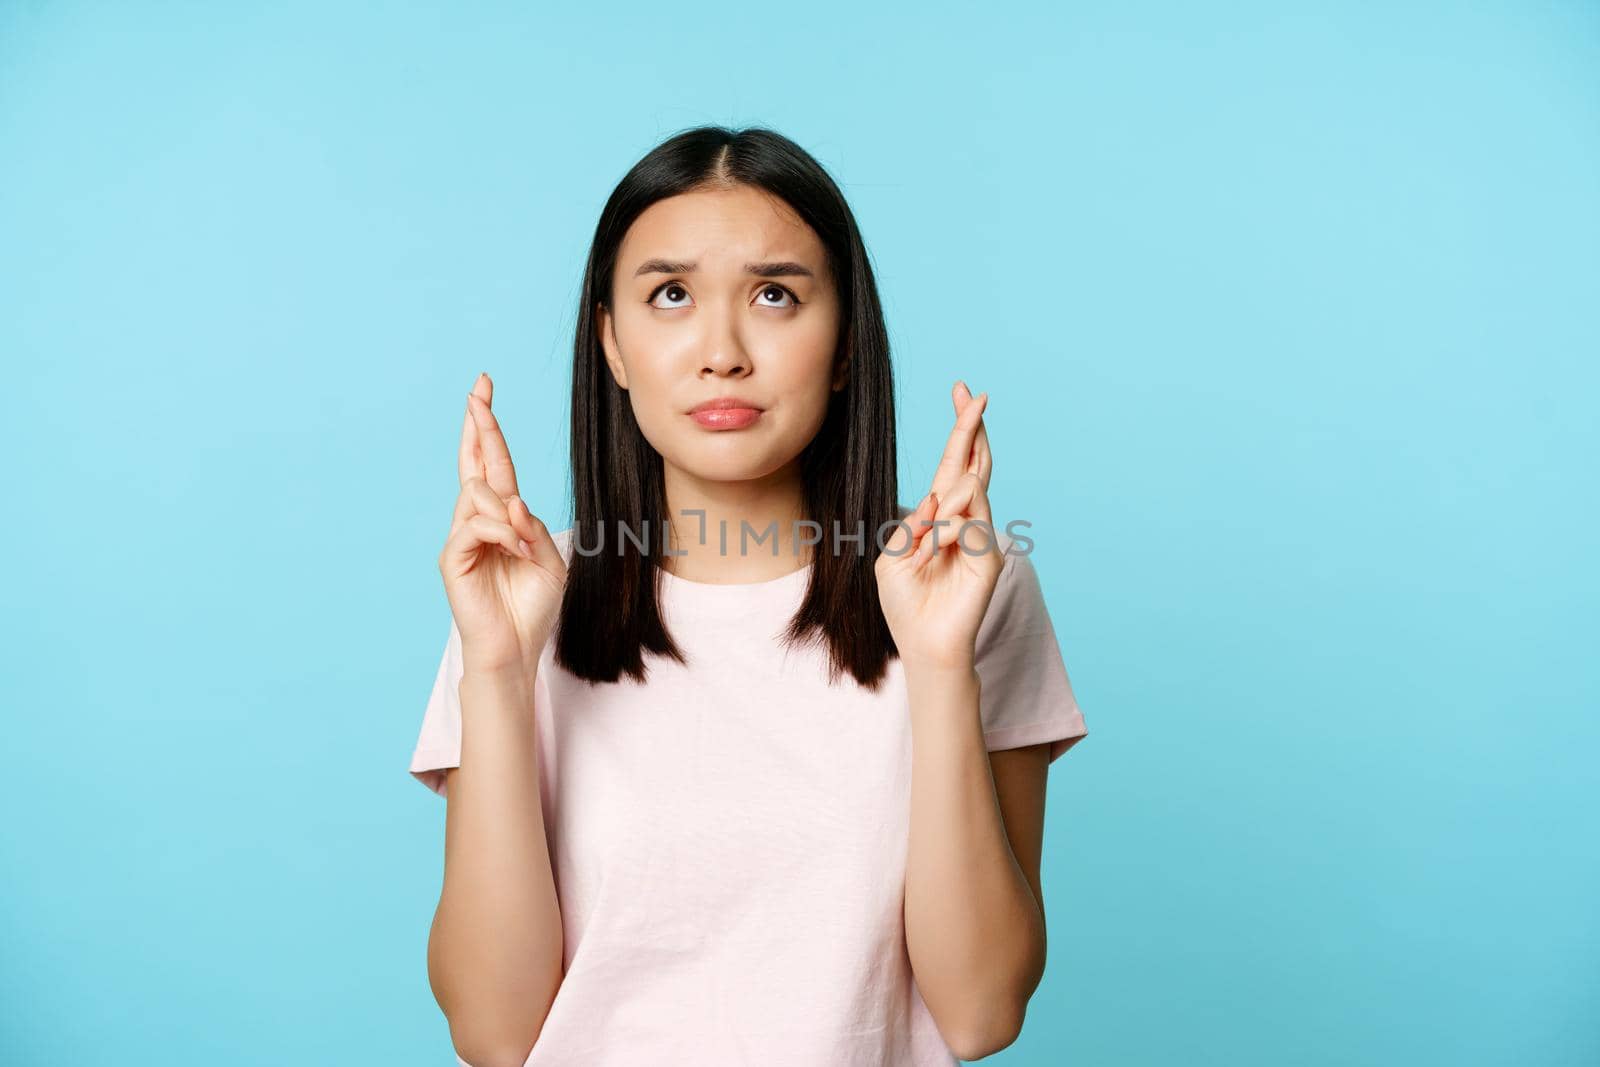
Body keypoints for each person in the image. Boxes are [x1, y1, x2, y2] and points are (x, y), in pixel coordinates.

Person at [408, 125, 1089, 1067]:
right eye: (671, 295)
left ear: (845, 342)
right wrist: (495, 670)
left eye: (775, 294)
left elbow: (980, 1013)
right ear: (611, 341)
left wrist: (936, 665)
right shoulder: (524, 597)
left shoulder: (965, 586)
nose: (721, 351)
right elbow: (493, 1033)